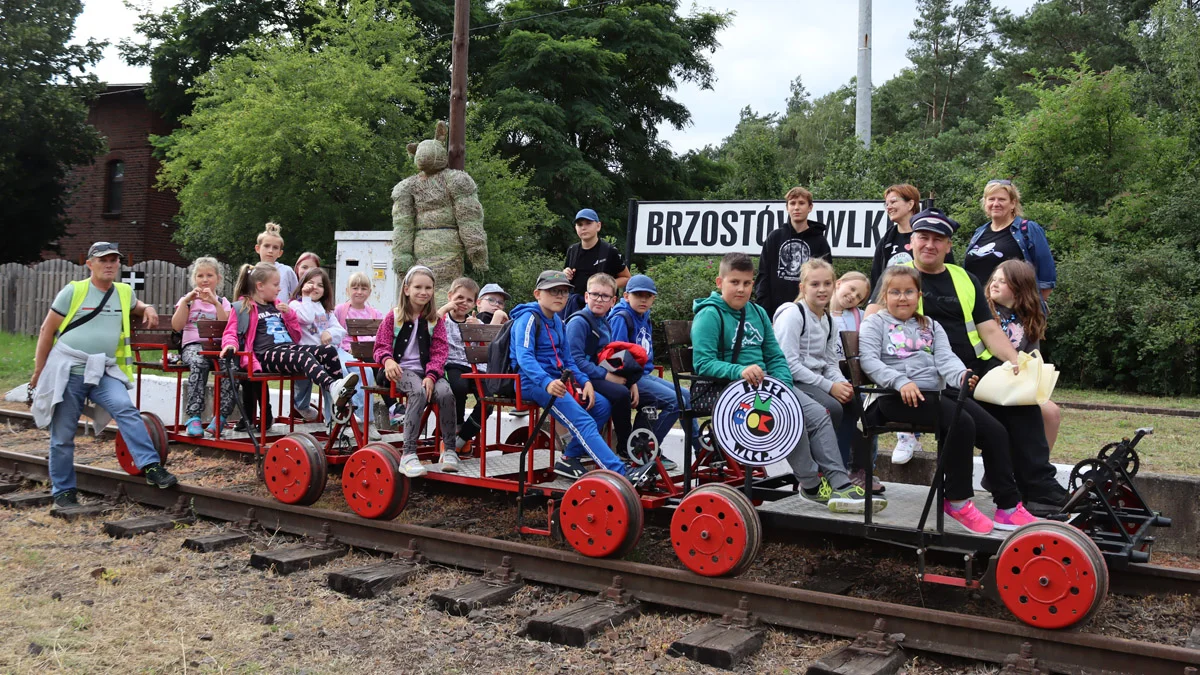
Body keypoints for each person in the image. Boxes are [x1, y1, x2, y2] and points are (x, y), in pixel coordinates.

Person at [866, 208, 1069, 509]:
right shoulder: (899, 277)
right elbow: (873, 321)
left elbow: (989, 330)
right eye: (923, 237)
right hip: (933, 378)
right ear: (912, 241)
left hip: (976, 368)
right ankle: (1010, 491)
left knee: (1023, 400)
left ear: (949, 246)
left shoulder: (965, 278)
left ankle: (1038, 485)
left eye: (939, 239)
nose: (930, 245)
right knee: (992, 427)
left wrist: (1014, 362)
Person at [692, 253, 878, 513]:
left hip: (765, 386)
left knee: (819, 413)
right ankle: (812, 485)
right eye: (734, 282)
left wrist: (782, 385)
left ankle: (839, 483)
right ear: (720, 281)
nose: (742, 289)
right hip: (726, 388)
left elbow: (776, 357)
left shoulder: (757, 312)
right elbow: (702, 364)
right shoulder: (710, 315)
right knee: (791, 417)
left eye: (747, 283)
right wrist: (739, 370)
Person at [859, 266, 1037, 533]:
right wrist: (900, 382)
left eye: (909, 291)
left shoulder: (930, 325)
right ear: (885, 295)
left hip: (933, 395)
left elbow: (946, 359)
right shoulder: (876, 323)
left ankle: (1008, 507)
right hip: (895, 396)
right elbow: (869, 361)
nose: (902, 297)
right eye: (895, 292)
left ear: (919, 295)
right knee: (961, 423)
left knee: (995, 431)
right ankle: (956, 501)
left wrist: (960, 375)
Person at [30, 242, 178, 508]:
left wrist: (147, 308)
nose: (109, 264)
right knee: (63, 434)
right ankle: (63, 491)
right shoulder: (74, 291)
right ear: (90, 264)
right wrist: (39, 372)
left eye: (113, 260)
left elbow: (136, 304)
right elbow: (46, 330)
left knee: (125, 408)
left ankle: (151, 467)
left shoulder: (123, 292)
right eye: (103, 260)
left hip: (104, 369)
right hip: (70, 370)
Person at [510, 270, 627, 479]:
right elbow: (524, 358)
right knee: (583, 421)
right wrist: (546, 382)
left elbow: (569, 360)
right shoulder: (527, 318)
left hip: (556, 380)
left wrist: (585, 380)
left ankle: (569, 458)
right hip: (530, 382)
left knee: (601, 405)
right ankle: (619, 473)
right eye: (553, 291)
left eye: (564, 292)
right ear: (537, 294)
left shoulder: (558, 322)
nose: (560, 296)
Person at [219, 262, 358, 433]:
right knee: (304, 357)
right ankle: (333, 386)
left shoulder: (277, 305)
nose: (279, 289)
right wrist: (230, 345)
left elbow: (296, 335)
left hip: (288, 349)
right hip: (265, 354)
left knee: (328, 351)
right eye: (276, 285)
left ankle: (339, 409)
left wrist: (288, 315)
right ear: (260, 286)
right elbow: (231, 332)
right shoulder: (243, 307)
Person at [772, 259, 868, 493]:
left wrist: (841, 383)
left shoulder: (827, 320)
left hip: (812, 380)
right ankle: (823, 473)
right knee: (832, 407)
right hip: (791, 380)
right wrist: (828, 387)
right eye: (815, 284)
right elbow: (788, 364)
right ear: (802, 288)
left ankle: (840, 466)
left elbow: (829, 363)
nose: (822, 289)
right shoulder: (793, 315)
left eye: (827, 283)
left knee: (854, 402)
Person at [871, 184, 948, 463]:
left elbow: (944, 273)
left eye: (894, 202)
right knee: (897, 362)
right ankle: (906, 437)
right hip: (892, 320)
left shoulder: (929, 238)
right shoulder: (887, 239)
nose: (889, 207)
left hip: (925, 318)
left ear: (911, 203)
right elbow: (876, 280)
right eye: (886, 203)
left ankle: (915, 436)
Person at [374, 266, 460, 476]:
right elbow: (381, 346)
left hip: (427, 371)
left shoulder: (435, 320)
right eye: (418, 287)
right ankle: (408, 454)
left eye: (428, 288)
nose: (424, 292)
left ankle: (449, 449)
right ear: (406, 290)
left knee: (446, 393)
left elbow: (440, 352)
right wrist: (387, 361)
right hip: (398, 371)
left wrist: (431, 375)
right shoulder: (393, 317)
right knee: (418, 392)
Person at [608, 274, 688, 469]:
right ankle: (642, 449)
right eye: (638, 295)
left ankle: (697, 447)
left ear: (654, 298)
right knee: (677, 401)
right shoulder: (621, 317)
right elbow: (616, 357)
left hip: (642, 374)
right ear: (626, 296)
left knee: (687, 395)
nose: (643, 299)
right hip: (628, 377)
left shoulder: (644, 316)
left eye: (648, 296)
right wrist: (632, 382)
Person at [986, 260, 1061, 450]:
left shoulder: (1029, 319)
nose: (994, 284)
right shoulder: (985, 312)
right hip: (989, 380)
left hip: (1018, 382)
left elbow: (1033, 360)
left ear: (1020, 288)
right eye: (994, 279)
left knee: (1051, 412)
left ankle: (1038, 467)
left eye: (1002, 281)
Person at [565, 273, 633, 457]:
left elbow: (606, 356)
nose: (599, 300)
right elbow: (575, 360)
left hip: (595, 373)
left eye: (605, 296)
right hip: (577, 376)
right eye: (594, 294)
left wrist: (632, 379)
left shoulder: (604, 322)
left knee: (633, 389)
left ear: (613, 301)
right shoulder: (579, 322)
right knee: (620, 394)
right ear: (586, 296)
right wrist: (607, 376)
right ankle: (625, 448)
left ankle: (638, 442)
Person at [170, 256, 234, 437]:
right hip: (193, 346)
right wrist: (185, 303)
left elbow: (227, 326)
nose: (205, 280)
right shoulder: (188, 300)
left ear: (218, 279)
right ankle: (194, 416)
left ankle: (221, 416)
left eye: (209, 275)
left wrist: (214, 303)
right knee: (199, 363)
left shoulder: (222, 302)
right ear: (194, 279)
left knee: (232, 366)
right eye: (200, 276)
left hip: (216, 347)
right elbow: (177, 326)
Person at [964, 180, 1056, 302]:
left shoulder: (1028, 230)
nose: (996, 204)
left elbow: (1046, 280)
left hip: (1013, 313)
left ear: (1013, 203)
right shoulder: (979, 233)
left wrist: (1028, 313)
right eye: (991, 199)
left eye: (1001, 199)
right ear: (985, 203)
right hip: (977, 311)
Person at [754, 186, 833, 318]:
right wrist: (764, 311)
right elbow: (763, 276)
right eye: (792, 203)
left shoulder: (820, 242)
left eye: (801, 203)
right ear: (787, 207)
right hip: (773, 313)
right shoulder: (774, 237)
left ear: (810, 207)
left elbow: (825, 279)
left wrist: (820, 310)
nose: (796, 207)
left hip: (808, 313)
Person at [289, 267, 347, 425]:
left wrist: (329, 332)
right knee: (303, 390)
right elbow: (306, 319)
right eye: (310, 283)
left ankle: (336, 418)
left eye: (320, 285)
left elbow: (340, 331)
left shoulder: (324, 308)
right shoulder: (296, 304)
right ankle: (303, 407)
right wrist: (306, 297)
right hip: (305, 353)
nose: (315, 287)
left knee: (343, 374)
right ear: (302, 285)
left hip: (324, 354)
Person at [333, 271, 385, 435]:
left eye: (363, 288)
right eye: (355, 288)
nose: (359, 292)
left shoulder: (374, 313)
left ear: (370, 291)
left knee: (368, 372)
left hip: (367, 353)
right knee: (357, 372)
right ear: (347, 290)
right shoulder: (340, 310)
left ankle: (367, 420)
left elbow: (381, 334)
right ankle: (358, 415)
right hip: (345, 351)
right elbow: (335, 332)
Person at [437, 276, 484, 453]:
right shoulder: (443, 319)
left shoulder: (475, 322)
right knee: (458, 386)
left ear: (475, 303)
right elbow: (430, 323)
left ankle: (462, 438)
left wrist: (477, 328)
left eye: (469, 300)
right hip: (452, 364)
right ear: (450, 296)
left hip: (475, 367)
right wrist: (445, 308)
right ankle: (457, 424)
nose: (464, 303)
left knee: (488, 401)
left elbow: (485, 348)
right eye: (459, 298)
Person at [561, 208, 631, 317]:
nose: (584, 227)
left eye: (588, 223)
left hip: (602, 309)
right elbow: (565, 277)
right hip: (574, 309)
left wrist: (605, 287)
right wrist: (565, 274)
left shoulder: (609, 251)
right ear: (575, 228)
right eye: (580, 224)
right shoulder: (572, 250)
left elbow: (626, 278)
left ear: (598, 226)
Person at [255, 222, 300, 302]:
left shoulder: (286, 271)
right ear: (258, 248)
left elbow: (297, 297)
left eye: (275, 248)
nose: (270, 251)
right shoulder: (251, 272)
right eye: (266, 246)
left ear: (280, 253)